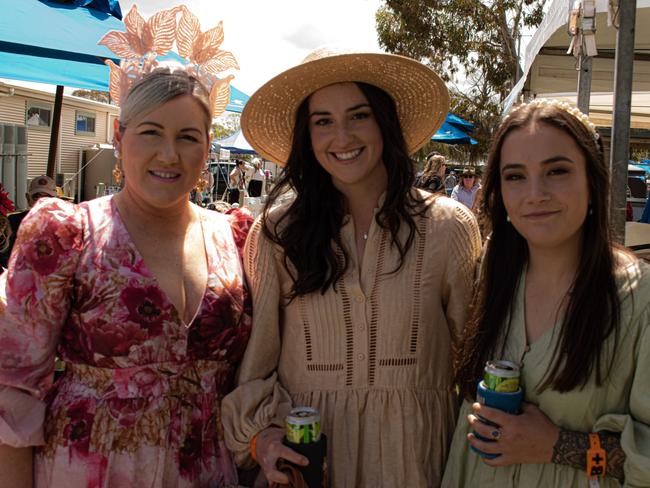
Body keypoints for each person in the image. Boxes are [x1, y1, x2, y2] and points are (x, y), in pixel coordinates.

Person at [222, 48, 482, 487]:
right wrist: (260, 438)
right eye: (322, 120)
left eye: (358, 115)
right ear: (307, 136)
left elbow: (474, 364)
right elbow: (257, 363)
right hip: (311, 465)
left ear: (385, 122)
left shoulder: (448, 227)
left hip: (419, 464)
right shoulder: (277, 233)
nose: (341, 136)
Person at [0, 66, 253, 487]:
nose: (169, 154)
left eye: (188, 137)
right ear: (120, 138)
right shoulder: (66, 234)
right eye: (151, 132)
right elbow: (14, 386)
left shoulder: (237, 237)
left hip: (208, 470)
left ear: (208, 147)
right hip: (88, 471)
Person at [442, 99, 650, 487]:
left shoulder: (641, 301)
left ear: (593, 179)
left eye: (556, 171)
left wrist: (557, 445)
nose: (534, 193)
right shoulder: (494, 267)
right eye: (515, 176)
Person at [0, 175, 58, 269]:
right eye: (36, 197)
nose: (41, 201)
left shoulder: (64, 225)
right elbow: (3, 254)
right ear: (28, 198)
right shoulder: (14, 222)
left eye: (47, 197)